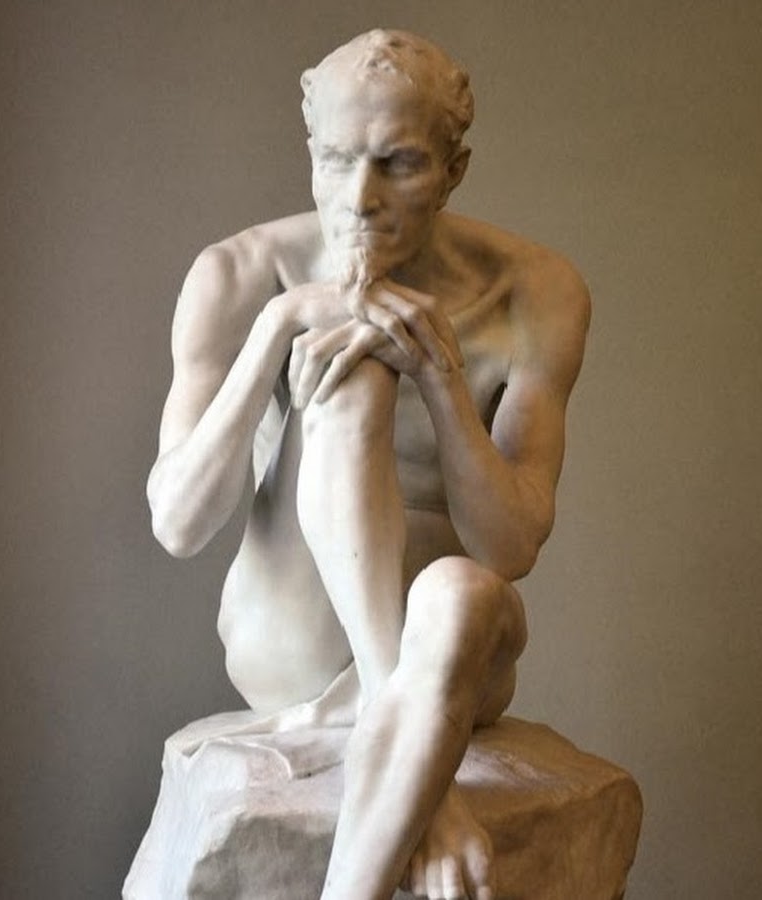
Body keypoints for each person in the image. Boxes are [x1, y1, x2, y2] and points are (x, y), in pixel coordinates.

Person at [146, 29, 590, 900]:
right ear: (311, 150)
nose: (360, 197)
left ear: (454, 170)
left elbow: (509, 548)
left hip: (454, 651)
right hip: (292, 637)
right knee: (350, 370)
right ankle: (409, 742)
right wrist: (278, 329)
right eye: (338, 159)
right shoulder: (240, 274)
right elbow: (179, 523)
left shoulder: (535, 289)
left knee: (462, 592)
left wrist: (442, 376)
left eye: (399, 163)